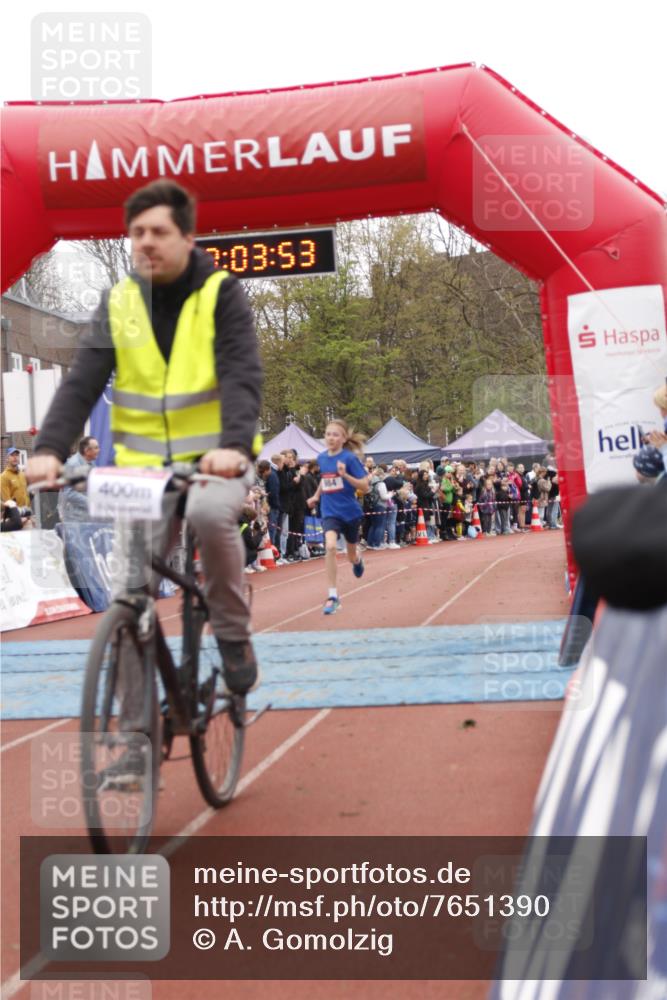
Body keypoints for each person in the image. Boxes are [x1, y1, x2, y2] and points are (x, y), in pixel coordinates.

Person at [25, 178, 263, 697]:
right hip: (143, 471)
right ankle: (136, 725)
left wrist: (233, 447)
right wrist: (47, 450)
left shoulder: (220, 294)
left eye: (158, 231)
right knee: (129, 592)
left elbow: (243, 377)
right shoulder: (120, 303)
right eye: (136, 234)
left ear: (188, 237)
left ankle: (230, 631)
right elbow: (82, 382)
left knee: (205, 514)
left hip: (215, 460)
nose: (146, 243)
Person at [306, 418, 369, 615]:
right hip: (330, 511)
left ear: (343, 439)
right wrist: (316, 496)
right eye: (328, 434)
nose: (330, 438)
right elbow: (325, 480)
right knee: (331, 547)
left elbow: (365, 487)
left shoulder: (349, 459)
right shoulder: (322, 458)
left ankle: (357, 560)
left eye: (335, 434)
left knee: (350, 555)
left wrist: (346, 476)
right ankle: (333, 596)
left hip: (349, 512)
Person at [57, 436, 100, 522]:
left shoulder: (91, 464)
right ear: (87, 451)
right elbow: (69, 494)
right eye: (96, 448)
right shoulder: (73, 465)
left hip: (84, 516)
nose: (99, 450)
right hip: (74, 519)